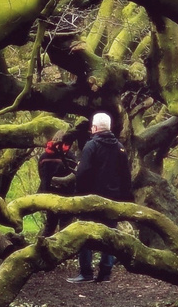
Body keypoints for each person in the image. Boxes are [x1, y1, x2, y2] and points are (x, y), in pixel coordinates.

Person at [66, 112, 133, 284]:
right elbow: (126, 175)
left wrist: (78, 194)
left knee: (86, 232)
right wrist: (126, 199)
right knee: (110, 233)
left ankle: (86, 272)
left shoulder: (91, 146)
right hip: (113, 198)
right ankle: (105, 272)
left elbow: (83, 172)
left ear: (94, 127)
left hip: (92, 198)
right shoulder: (120, 148)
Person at [36, 129, 78, 238]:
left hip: (49, 196)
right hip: (67, 197)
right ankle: (63, 251)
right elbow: (74, 175)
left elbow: (41, 175)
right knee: (65, 227)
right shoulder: (70, 156)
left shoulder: (44, 157)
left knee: (50, 226)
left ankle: (43, 248)